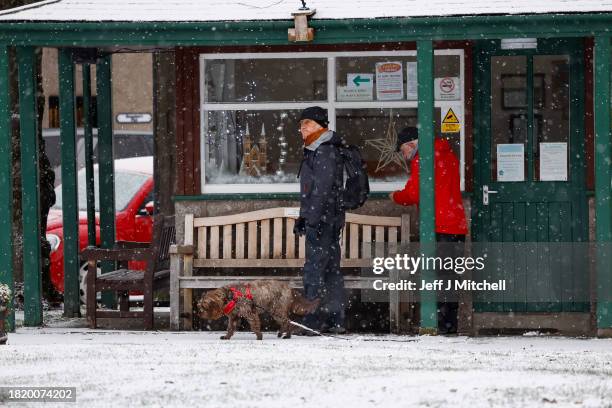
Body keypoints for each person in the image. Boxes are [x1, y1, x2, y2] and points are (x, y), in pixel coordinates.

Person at [389, 127, 468, 334]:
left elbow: (415, 193)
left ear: (411, 144)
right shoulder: (447, 153)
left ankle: (438, 324)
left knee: (439, 275)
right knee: (450, 276)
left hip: (439, 225)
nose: (404, 156)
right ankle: (449, 324)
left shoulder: (422, 159)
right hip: (455, 223)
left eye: (403, 151)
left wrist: (396, 196)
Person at [293, 106, 346, 335]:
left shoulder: (324, 151)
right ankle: (335, 320)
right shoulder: (318, 150)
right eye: (301, 124)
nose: (302, 128)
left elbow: (322, 191)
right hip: (327, 219)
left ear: (320, 126)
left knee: (314, 269)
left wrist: (311, 219)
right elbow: (314, 190)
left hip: (323, 221)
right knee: (331, 270)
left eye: (307, 123)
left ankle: (311, 321)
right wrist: (304, 217)